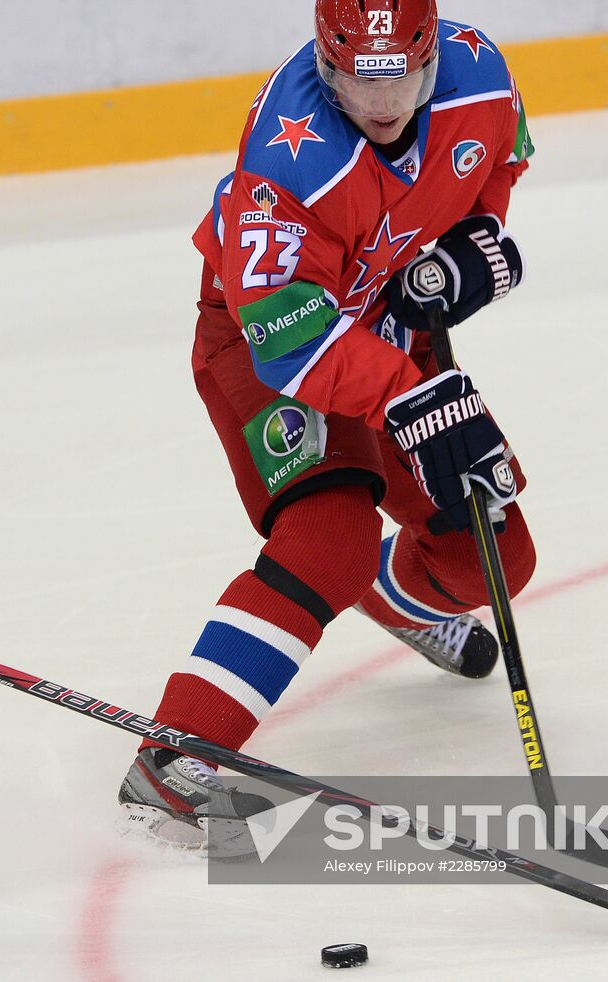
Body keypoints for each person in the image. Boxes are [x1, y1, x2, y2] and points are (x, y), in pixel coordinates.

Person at [118, 0, 536, 853]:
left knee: (492, 555)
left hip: (385, 323)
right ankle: (175, 754)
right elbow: (290, 337)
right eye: (355, 78)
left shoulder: (481, 77)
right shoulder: (288, 155)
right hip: (268, 334)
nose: (381, 103)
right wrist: (412, 400)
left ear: (432, 55)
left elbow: (498, 165)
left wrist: (471, 242)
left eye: (402, 77)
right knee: (328, 537)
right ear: (325, 60)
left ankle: (387, 591)